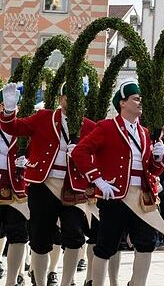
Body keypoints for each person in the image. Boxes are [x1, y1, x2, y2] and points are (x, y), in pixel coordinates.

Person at [71, 79, 164, 286]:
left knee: (146, 243)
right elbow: (80, 151)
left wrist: (158, 158)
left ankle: (137, 283)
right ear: (122, 103)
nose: (140, 102)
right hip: (114, 195)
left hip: (141, 196)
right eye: (135, 99)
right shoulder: (107, 127)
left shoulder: (143, 131)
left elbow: (150, 168)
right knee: (106, 245)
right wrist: (98, 179)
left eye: (140, 99)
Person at [0, 83, 95, 286]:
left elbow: (102, 154)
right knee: (40, 238)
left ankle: (66, 281)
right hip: (43, 185)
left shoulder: (90, 126)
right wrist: (9, 110)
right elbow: (14, 127)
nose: (73, 100)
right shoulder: (44, 117)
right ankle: (40, 282)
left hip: (74, 187)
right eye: (68, 96)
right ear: (61, 99)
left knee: (74, 235)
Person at [0, 84, 29, 286]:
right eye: (6, 103)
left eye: (14, 104)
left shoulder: (25, 127)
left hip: (18, 186)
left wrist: (28, 161)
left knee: (19, 234)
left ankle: (12, 279)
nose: (9, 107)